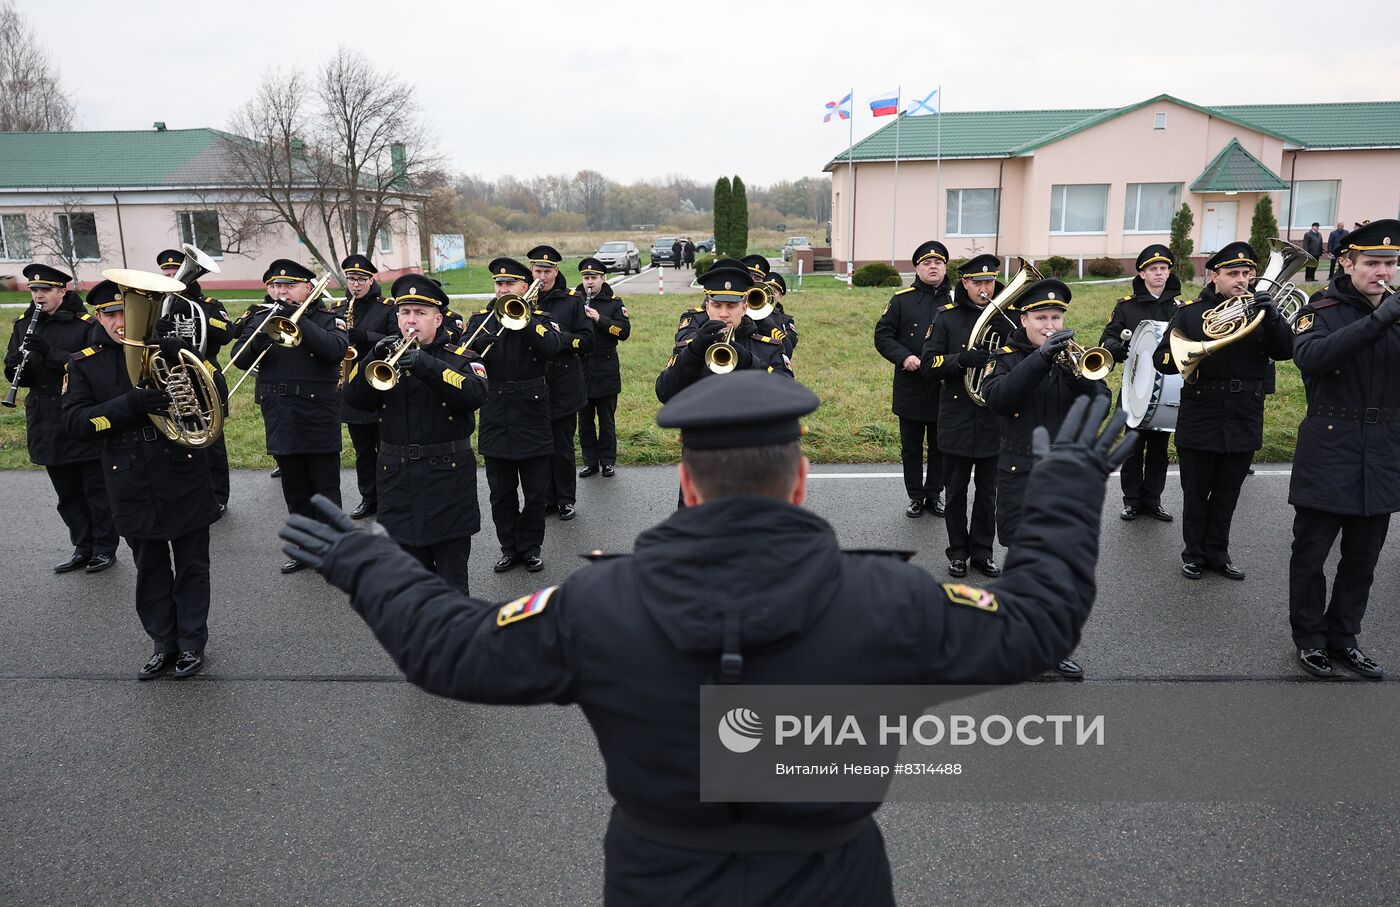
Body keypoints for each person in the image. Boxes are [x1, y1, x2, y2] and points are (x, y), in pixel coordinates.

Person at [279, 373, 1136, 907]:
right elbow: (1035, 621)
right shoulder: (890, 599)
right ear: (800, 478)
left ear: (684, 483)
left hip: (660, 875)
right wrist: (1065, 486)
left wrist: (367, 561)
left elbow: (454, 647)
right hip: (834, 878)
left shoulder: (599, 602)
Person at [62, 280, 220, 679]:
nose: (121, 322)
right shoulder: (84, 363)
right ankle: (162, 643)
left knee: (192, 566)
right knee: (149, 566)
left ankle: (191, 643)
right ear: (98, 316)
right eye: (112, 314)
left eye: (126, 312)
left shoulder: (171, 351)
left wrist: (186, 356)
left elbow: (218, 403)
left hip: (182, 470)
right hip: (130, 478)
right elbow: (77, 424)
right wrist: (127, 405)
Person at [983, 279, 1113, 679]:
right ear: (1024, 319)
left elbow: (1102, 401)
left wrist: (1076, 375)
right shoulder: (1005, 356)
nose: (1050, 324)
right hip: (1021, 472)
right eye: (1041, 317)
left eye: (1056, 317)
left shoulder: (1074, 358)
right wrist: (1039, 359)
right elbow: (998, 398)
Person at [1287, 219, 1400, 680]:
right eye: (1372, 263)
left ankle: (1344, 638)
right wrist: (1381, 320)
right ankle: (1310, 639)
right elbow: (1312, 359)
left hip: (1383, 451)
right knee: (1311, 554)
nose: (1382, 273)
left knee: (1363, 557)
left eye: (1390, 264)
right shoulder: (1321, 309)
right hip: (1331, 444)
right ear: (1347, 262)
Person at [1154, 241, 1293, 580]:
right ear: (1214, 275)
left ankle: (1219, 552)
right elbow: (1163, 360)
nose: (1242, 280)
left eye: (1247, 273)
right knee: (1196, 491)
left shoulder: (1262, 311)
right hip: (1201, 411)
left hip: (1244, 412)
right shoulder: (1190, 312)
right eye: (1233, 273)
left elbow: (1287, 351)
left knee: (1228, 493)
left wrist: (1273, 318)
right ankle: (1194, 553)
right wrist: (1197, 349)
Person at [344, 275, 488, 592]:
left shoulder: (460, 358)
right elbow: (354, 400)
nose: (411, 320)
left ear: (437, 319)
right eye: (405, 312)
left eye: (420, 313)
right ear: (396, 317)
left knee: (451, 583)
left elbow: (475, 395)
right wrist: (372, 356)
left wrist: (426, 365)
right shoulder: (385, 360)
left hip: (447, 484)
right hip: (397, 482)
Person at [229, 258, 349, 574]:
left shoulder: (328, 317)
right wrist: (267, 331)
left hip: (318, 412)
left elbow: (334, 350)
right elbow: (238, 359)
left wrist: (298, 322)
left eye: (289, 286)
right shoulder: (259, 317)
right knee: (295, 488)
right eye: (276, 286)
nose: (281, 291)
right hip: (281, 412)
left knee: (325, 486)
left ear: (308, 288)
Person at [4, 263, 118, 574]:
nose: (38, 296)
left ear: (62, 291)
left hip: (77, 410)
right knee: (66, 491)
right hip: (44, 416)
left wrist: (48, 351)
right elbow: (16, 374)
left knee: (94, 487)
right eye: (34, 290)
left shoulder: (84, 325)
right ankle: (83, 545)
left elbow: (91, 368)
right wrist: (17, 365)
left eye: (45, 290)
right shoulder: (23, 324)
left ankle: (105, 547)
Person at [466, 257, 564, 574]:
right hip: (495, 411)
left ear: (525, 286)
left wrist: (525, 322)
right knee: (501, 493)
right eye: (499, 284)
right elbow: (460, 358)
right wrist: (477, 346)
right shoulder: (481, 320)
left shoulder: (542, 319)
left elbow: (552, 347)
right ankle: (509, 548)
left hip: (533, 413)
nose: (503, 289)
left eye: (509, 284)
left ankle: (531, 547)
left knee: (536, 493)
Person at [921, 253, 1004, 578]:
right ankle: (957, 552)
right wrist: (961, 360)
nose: (985, 288)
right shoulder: (947, 317)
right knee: (955, 492)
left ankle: (983, 553)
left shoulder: (1005, 318)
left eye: (989, 281)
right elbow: (929, 365)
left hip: (991, 417)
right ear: (964, 283)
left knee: (988, 493)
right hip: (956, 415)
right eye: (978, 282)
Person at [1098, 244, 1180, 522]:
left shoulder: (1178, 309)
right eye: (1153, 269)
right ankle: (1132, 501)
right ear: (1143, 274)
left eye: (1163, 268)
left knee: (1159, 447)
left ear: (1169, 273)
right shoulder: (1126, 307)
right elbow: (1106, 340)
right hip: (1134, 387)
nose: (1159, 273)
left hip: (1166, 388)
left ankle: (1152, 501)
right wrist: (1118, 348)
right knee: (1133, 446)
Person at [874, 240, 952, 519]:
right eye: (927, 263)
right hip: (911, 384)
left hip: (945, 386)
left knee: (941, 445)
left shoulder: (955, 300)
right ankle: (916, 496)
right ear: (917, 268)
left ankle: (934, 494)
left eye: (938, 263)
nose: (933, 267)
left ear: (945, 267)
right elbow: (883, 335)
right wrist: (904, 357)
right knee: (911, 447)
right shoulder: (901, 300)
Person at [158, 248, 234, 513]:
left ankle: (218, 497)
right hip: (170, 375)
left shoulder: (209, 304)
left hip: (204, 372)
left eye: (176, 269)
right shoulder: (156, 303)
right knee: (174, 433)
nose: (171, 274)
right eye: (167, 271)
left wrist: (198, 310)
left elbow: (228, 333)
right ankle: (184, 492)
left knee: (212, 438)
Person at [656, 258, 792, 404]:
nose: (723, 314)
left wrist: (748, 362)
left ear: (745, 307)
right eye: (716, 305)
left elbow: (789, 395)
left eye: (731, 305)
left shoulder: (769, 348)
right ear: (707, 307)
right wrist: (693, 353)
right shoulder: (691, 346)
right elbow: (665, 393)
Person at [526, 245, 592, 521]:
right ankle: (546, 498)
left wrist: (557, 338)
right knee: (539, 447)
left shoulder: (572, 301)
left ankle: (565, 498)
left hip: (563, 385)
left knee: (562, 447)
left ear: (556, 271)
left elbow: (586, 341)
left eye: (547, 271)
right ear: (531, 270)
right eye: (537, 270)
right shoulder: (523, 301)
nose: (541, 276)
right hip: (531, 385)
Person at [335, 254, 397, 520]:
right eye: (351, 279)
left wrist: (366, 337)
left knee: (386, 448)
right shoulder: (339, 307)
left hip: (380, 386)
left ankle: (390, 498)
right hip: (352, 386)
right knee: (362, 451)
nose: (356, 285)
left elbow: (397, 338)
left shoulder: (387, 307)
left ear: (372, 279)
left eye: (361, 279)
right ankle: (368, 498)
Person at [575, 257, 631, 479]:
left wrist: (600, 319)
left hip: (606, 370)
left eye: (594, 278)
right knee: (585, 421)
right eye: (586, 278)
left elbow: (624, 332)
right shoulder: (575, 300)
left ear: (603, 278)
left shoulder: (614, 302)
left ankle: (608, 461)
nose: (589, 282)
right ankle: (590, 461)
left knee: (607, 421)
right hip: (581, 370)